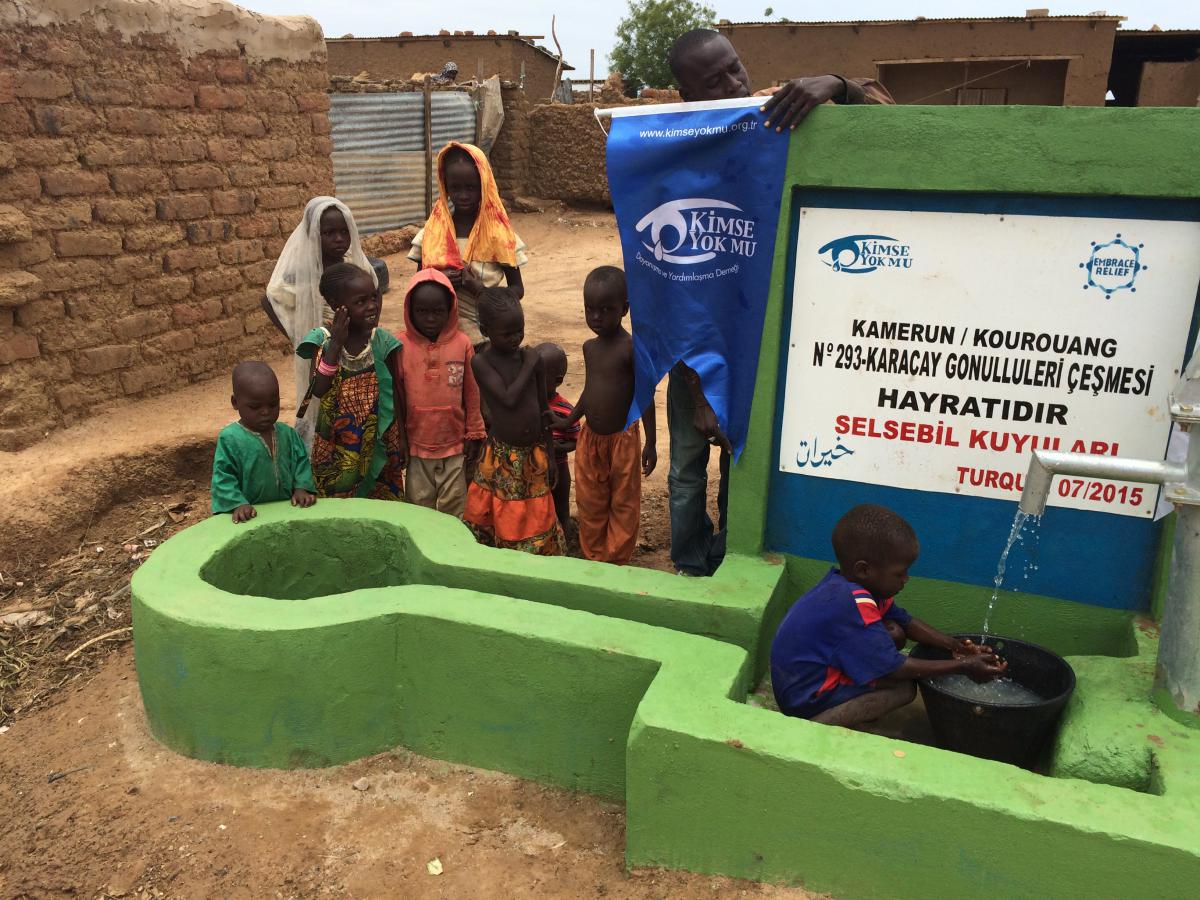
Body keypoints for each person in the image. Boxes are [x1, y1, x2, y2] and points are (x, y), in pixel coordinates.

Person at [663, 29, 894, 577]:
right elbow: (677, 287)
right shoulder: (678, 155)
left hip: (759, 344)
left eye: (734, 67)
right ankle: (690, 564)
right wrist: (699, 391)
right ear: (687, 96)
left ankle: (730, 553)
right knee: (688, 467)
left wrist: (834, 85)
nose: (733, 83)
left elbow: (890, 118)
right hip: (694, 347)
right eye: (714, 81)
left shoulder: (776, 117)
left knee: (743, 464)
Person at [770, 504, 1005, 728]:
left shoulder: (853, 586)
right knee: (904, 688)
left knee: (894, 631)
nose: (906, 579)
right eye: (899, 574)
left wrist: (955, 646)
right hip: (805, 701)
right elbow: (896, 669)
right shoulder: (852, 604)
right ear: (864, 569)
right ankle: (820, 724)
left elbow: (906, 622)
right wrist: (963, 666)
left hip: (800, 684)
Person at [556, 267, 656, 565]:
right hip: (590, 440)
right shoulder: (590, 348)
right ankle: (594, 556)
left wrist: (651, 442)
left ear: (624, 309)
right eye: (590, 309)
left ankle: (615, 560)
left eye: (605, 309)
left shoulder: (631, 349)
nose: (596, 317)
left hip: (622, 441)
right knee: (590, 500)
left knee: (623, 502)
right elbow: (590, 391)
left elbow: (645, 397)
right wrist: (569, 420)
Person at [262, 197, 378, 447]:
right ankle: (320, 450)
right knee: (320, 399)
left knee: (354, 397)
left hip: (355, 348)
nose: (339, 239)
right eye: (329, 233)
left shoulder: (355, 266)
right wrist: (298, 336)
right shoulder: (303, 273)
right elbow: (270, 298)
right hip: (323, 352)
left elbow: (374, 292)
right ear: (314, 234)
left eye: (344, 232)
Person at [462, 288, 564, 555]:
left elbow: (543, 409)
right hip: (502, 457)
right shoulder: (482, 363)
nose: (516, 338)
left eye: (520, 330)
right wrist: (529, 365)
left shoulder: (531, 360)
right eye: (507, 333)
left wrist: (550, 455)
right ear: (485, 331)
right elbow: (508, 399)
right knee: (507, 515)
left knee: (537, 515)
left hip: (534, 454)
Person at [295, 262, 407, 499]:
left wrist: (402, 439)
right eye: (360, 302)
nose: (372, 306)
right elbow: (319, 388)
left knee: (382, 502)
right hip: (337, 444)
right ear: (337, 306)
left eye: (374, 297)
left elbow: (396, 392)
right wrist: (336, 344)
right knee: (340, 503)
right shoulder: (323, 340)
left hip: (379, 438)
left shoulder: (382, 342)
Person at [408, 142, 528, 346]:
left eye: (471, 188)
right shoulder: (432, 234)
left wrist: (481, 290)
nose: (463, 195)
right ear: (445, 186)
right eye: (455, 188)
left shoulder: (500, 236)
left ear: (484, 185)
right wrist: (439, 280)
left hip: (485, 334)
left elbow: (517, 289)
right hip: (439, 332)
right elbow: (417, 285)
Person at [399, 268, 485, 517]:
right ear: (410, 311)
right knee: (419, 509)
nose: (430, 318)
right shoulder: (400, 346)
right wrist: (400, 439)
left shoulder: (462, 343)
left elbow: (472, 392)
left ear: (450, 310)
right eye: (421, 311)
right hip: (417, 446)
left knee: (454, 508)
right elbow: (397, 397)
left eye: (438, 311)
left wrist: (474, 432)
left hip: (455, 445)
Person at [211, 361, 316, 523]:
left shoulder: (288, 434)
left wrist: (301, 488)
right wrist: (238, 503)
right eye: (255, 407)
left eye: (273, 404)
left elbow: (301, 463)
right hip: (252, 516)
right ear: (235, 403)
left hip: (288, 512)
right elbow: (223, 477)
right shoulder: (230, 439)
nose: (266, 412)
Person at [536, 342, 579, 535]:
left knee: (561, 508)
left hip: (559, 467)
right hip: (533, 468)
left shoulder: (565, 410)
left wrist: (559, 448)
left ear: (557, 380)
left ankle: (567, 533)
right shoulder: (527, 404)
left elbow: (576, 440)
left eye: (539, 377)